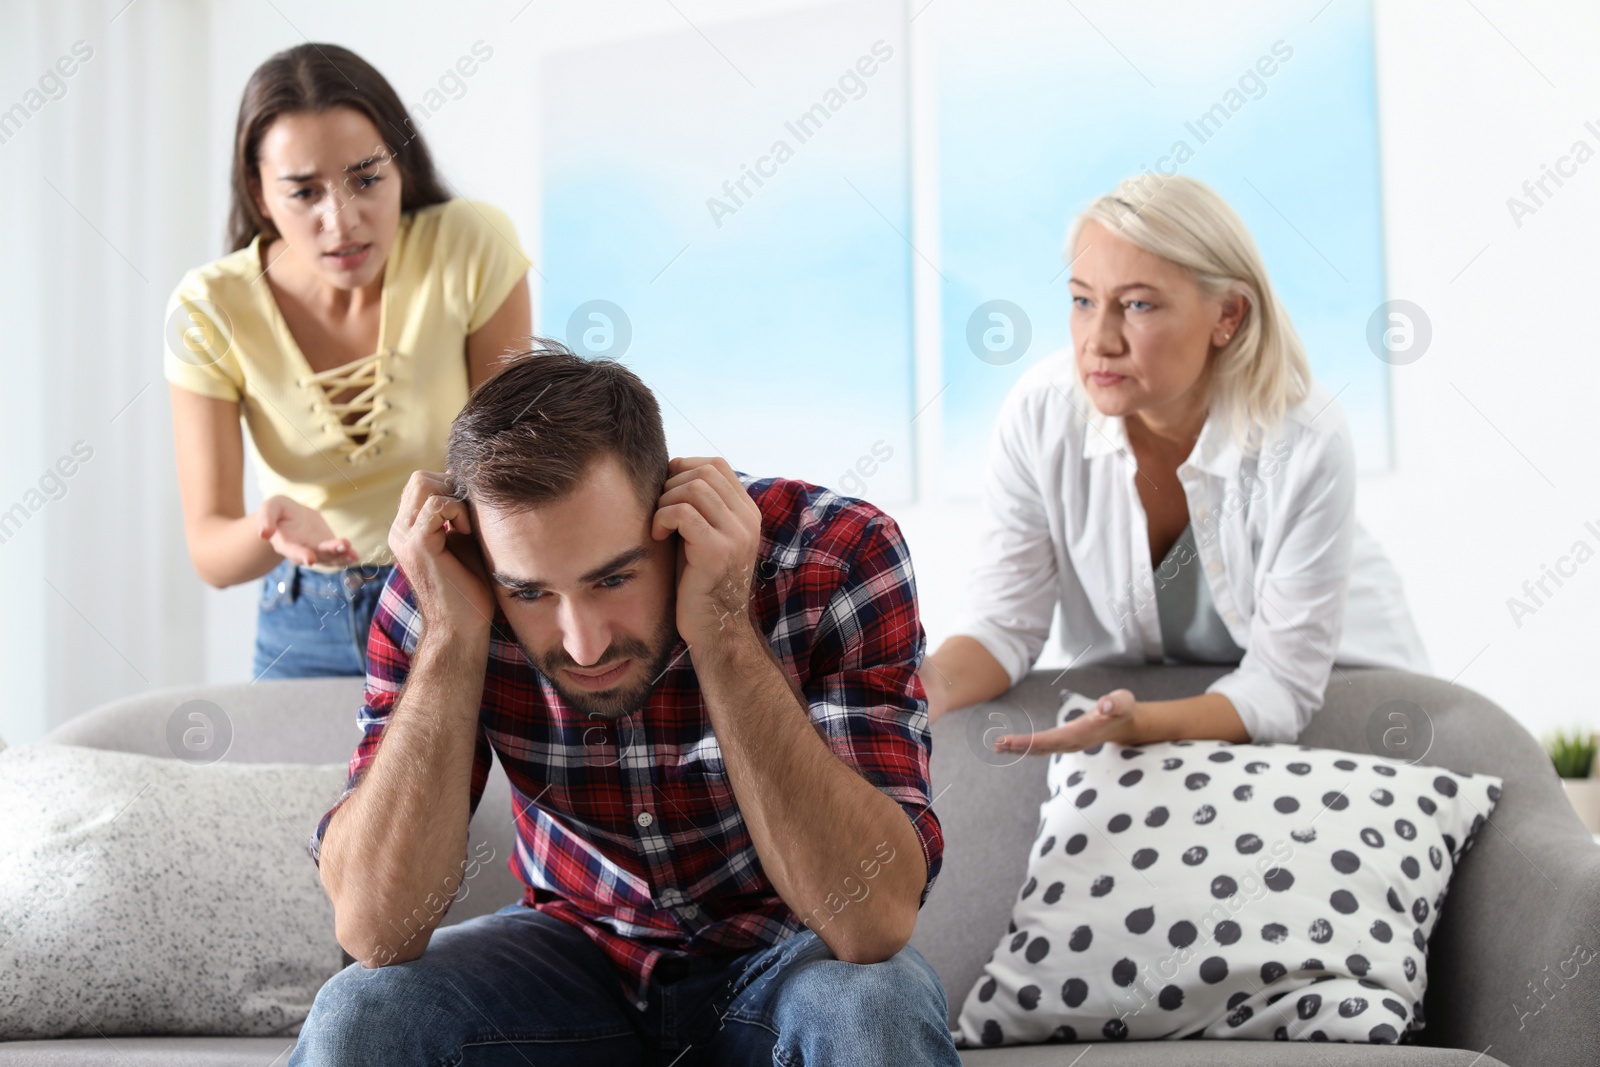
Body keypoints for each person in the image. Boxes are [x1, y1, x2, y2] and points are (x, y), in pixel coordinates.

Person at [288, 341, 961, 1065]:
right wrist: (453, 636)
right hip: (572, 957)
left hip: (787, 955)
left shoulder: (836, 557)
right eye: (531, 592)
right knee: (365, 1011)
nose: (581, 645)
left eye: (612, 580)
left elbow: (873, 923)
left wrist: (725, 630)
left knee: (873, 1006)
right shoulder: (444, 586)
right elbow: (375, 931)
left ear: (668, 514)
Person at [922, 174, 1428, 753]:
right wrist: (912, 693)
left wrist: (1144, 727)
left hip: (1344, 697)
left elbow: (1284, 687)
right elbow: (1004, 626)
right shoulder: (1041, 415)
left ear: (1228, 315)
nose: (1099, 340)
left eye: (1137, 304)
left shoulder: (1307, 439)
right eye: (1082, 300)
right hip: (1148, 708)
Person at [163, 43, 532, 680]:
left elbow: (506, 476)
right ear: (259, 193)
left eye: (366, 178)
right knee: (291, 786)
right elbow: (209, 551)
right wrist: (268, 530)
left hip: (454, 594)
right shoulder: (208, 308)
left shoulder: (471, 245)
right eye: (304, 192)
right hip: (302, 620)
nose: (342, 221)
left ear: (400, 165)